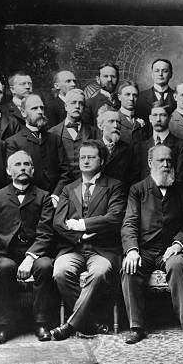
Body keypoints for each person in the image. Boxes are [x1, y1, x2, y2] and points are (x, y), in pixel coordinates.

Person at [121, 144, 183, 344]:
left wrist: (177, 244)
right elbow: (129, 223)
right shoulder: (138, 190)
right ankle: (136, 326)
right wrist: (132, 251)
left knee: (177, 265)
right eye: (161, 160)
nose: (166, 165)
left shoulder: (182, 189)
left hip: (171, 250)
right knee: (129, 269)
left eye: (169, 160)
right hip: (145, 250)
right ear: (150, 163)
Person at [50, 140, 126, 340]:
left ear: (101, 161)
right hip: (73, 247)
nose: (85, 161)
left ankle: (70, 325)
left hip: (103, 248)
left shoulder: (114, 186)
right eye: (82, 157)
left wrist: (82, 224)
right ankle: (90, 321)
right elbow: (58, 222)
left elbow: (114, 217)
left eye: (91, 157)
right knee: (60, 272)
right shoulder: (68, 188)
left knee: (99, 273)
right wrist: (79, 235)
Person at [0, 150, 57, 344]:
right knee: (5, 267)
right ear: (8, 171)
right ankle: (5, 324)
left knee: (44, 266)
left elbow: (46, 232)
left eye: (27, 164)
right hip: (5, 253)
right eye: (17, 164)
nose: (23, 167)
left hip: (36, 253)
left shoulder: (43, 196)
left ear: (33, 170)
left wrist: (30, 257)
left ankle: (41, 322)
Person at [5, 94, 71, 207]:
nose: (40, 111)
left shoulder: (54, 139)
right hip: (29, 202)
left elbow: (66, 171)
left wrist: (56, 195)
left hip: (55, 201)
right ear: (23, 113)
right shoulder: (14, 142)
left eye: (42, 108)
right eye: (34, 108)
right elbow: (13, 175)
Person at [49, 88, 97, 181]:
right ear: (66, 106)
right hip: (61, 185)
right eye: (73, 103)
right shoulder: (52, 133)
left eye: (81, 103)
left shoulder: (94, 132)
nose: (77, 106)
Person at [132, 101, 183, 182]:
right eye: (155, 115)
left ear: (169, 118)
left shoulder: (181, 145)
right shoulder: (140, 146)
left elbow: (180, 178)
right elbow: (136, 180)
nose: (158, 119)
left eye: (163, 115)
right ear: (150, 118)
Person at [96, 105, 135, 190]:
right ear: (100, 126)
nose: (116, 126)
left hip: (120, 196)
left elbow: (132, 180)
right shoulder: (92, 148)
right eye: (111, 121)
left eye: (118, 122)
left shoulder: (128, 150)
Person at [82, 62, 120, 127]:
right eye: (106, 76)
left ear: (118, 79)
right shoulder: (90, 104)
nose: (109, 79)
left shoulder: (123, 101)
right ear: (98, 79)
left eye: (113, 76)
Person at [116, 81, 149, 145]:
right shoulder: (113, 119)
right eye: (127, 94)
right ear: (119, 97)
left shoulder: (143, 120)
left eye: (135, 95)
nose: (131, 98)